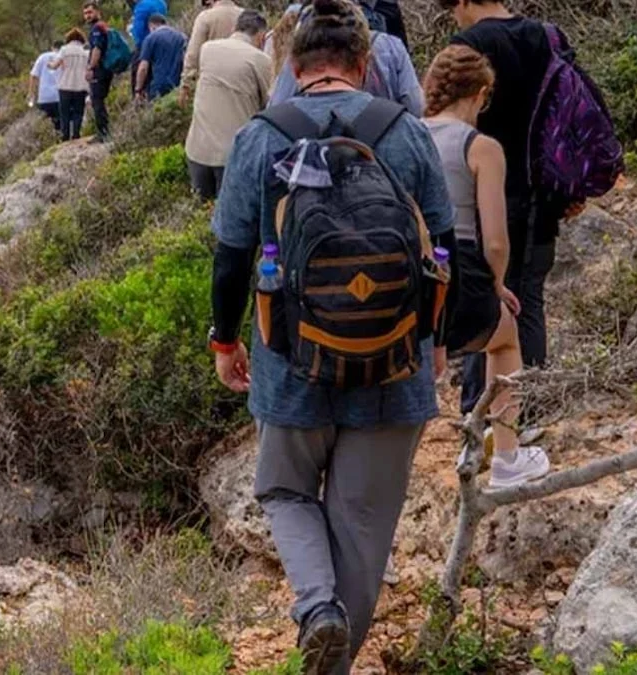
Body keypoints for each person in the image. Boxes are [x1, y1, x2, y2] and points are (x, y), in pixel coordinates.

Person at [206, 0, 455, 672]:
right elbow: (444, 249)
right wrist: (433, 343)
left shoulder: (261, 135)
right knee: (363, 529)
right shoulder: (405, 133)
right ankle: (334, 660)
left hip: (291, 361)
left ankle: (317, 607)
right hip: (395, 364)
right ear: (365, 63)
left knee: (284, 490)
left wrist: (224, 341)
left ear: (293, 64)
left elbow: (231, 254)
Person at [423, 44, 550, 485]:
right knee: (504, 337)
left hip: (410, 269)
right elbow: (494, 240)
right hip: (460, 267)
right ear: (479, 93)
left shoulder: (409, 134)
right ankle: (508, 458)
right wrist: (497, 287)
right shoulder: (482, 147)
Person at [439, 0, 570, 419]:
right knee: (529, 301)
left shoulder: (471, 44)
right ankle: (527, 411)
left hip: (491, 188)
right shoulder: (546, 35)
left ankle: (481, 413)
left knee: (488, 303)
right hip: (542, 190)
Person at [268, 3, 423, 116]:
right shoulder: (389, 46)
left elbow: (277, 105)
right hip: (381, 144)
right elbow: (416, 106)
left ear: (296, 70)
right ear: (363, 66)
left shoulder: (305, 43)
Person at [184, 9, 272, 200]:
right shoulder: (261, 60)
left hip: (198, 149)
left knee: (200, 210)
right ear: (262, 37)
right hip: (234, 155)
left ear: (234, 28)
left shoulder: (207, 49)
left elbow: (191, 69)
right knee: (230, 220)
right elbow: (269, 104)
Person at [180, 0, 244, 103]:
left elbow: (193, 55)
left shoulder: (205, 17)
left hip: (211, 83)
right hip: (241, 82)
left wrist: (186, 84)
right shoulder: (245, 16)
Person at [135, 14, 188, 102]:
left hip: (159, 86)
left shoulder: (150, 38)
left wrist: (138, 89)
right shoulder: (182, 37)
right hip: (178, 84)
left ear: (151, 26)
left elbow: (143, 67)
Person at [51, 28, 92, 142]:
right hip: (81, 85)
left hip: (65, 84)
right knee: (78, 112)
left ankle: (65, 136)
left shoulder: (64, 50)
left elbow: (55, 65)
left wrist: (49, 65)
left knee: (64, 112)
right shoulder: (85, 52)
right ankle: (76, 135)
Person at [83, 1, 115, 142]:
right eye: (85, 13)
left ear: (97, 12)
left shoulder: (96, 29)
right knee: (98, 100)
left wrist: (90, 67)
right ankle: (104, 131)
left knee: (97, 100)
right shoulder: (103, 26)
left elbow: (97, 49)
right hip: (106, 68)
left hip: (100, 69)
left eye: (90, 12)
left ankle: (103, 133)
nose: (87, 16)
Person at [31, 41, 65, 131]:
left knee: (45, 125)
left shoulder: (42, 57)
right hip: (59, 96)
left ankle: (48, 140)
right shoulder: (63, 58)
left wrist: (31, 93)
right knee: (60, 123)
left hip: (44, 96)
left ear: (52, 47)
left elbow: (34, 76)